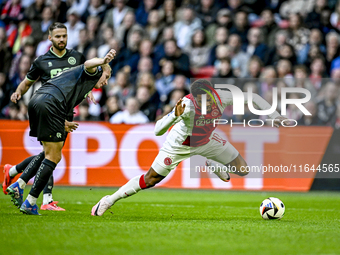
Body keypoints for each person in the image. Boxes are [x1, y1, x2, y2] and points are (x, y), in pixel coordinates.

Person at [91, 79, 287, 216]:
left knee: (243, 170)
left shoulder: (223, 97)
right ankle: (109, 199)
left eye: (208, 98)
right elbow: (158, 130)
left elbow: (252, 97)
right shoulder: (187, 105)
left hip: (207, 141)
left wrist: (274, 115)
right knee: (150, 179)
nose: (206, 103)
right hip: (179, 144)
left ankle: (214, 165)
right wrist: (174, 116)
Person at [6, 49, 115, 215]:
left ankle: (19, 183)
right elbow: (87, 64)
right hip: (50, 102)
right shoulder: (90, 73)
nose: (106, 82)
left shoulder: (80, 85)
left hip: (37, 101)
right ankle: (30, 200)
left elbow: (61, 95)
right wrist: (103, 61)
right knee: (53, 156)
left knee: (49, 152)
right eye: (106, 77)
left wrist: (62, 122)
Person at [2, 22, 93, 211]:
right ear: (50, 38)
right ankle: (42, 198)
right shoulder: (42, 61)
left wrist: (89, 91)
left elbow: (84, 78)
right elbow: (27, 82)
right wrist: (18, 92)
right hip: (49, 109)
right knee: (51, 155)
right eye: (58, 36)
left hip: (66, 110)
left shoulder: (76, 57)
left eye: (64, 36)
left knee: (48, 154)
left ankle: (13, 172)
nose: (62, 39)